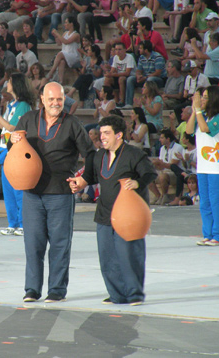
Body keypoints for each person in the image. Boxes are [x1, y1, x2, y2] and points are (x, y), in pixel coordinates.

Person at [11, 82, 95, 303]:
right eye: (51, 99)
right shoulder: (28, 120)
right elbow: (14, 149)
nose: (56, 103)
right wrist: (11, 141)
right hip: (32, 193)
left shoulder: (73, 123)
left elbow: (92, 155)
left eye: (59, 99)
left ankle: (57, 290)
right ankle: (32, 290)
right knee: (33, 245)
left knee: (59, 245)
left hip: (61, 193)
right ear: (42, 100)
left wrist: (84, 180)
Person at [67, 115, 157, 305]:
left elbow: (150, 173)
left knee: (129, 255)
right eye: (101, 133)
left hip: (129, 215)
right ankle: (117, 294)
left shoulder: (134, 154)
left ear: (119, 135)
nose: (102, 137)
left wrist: (138, 182)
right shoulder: (98, 156)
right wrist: (78, 184)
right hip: (105, 213)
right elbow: (89, 177)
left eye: (106, 133)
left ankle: (134, 294)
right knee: (107, 258)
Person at [0, 73, 35, 236]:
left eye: (10, 81)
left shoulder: (24, 105)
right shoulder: (12, 104)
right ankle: (13, 223)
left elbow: (13, 128)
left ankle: (23, 224)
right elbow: (1, 125)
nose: (7, 83)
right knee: (8, 192)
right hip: (5, 151)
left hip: (17, 152)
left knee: (18, 191)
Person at [186, 85, 219, 246]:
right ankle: (209, 233)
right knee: (204, 202)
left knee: (216, 201)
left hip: (217, 166)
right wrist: (194, 110)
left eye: (205, 97)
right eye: (201, 97)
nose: (203, 100)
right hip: (203, 165)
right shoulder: (201, 116)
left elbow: (207, 130)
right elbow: (189, 129)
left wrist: (198, 110)